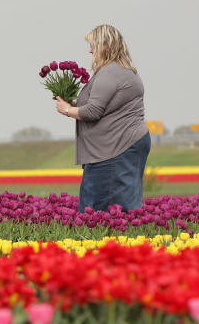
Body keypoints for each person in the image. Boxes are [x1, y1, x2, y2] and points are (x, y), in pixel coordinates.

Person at [54, 24, 151, 213]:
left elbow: (93, 111)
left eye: (93, 45)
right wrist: (74, 105)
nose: (90, 50)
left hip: (115, 149)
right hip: (122, 144)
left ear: (106, 46)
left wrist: (66, 110)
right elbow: (104, 107)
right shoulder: (124, 70)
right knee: (124, 204)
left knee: (102, 209)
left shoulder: (110, 72)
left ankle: (110, 242)